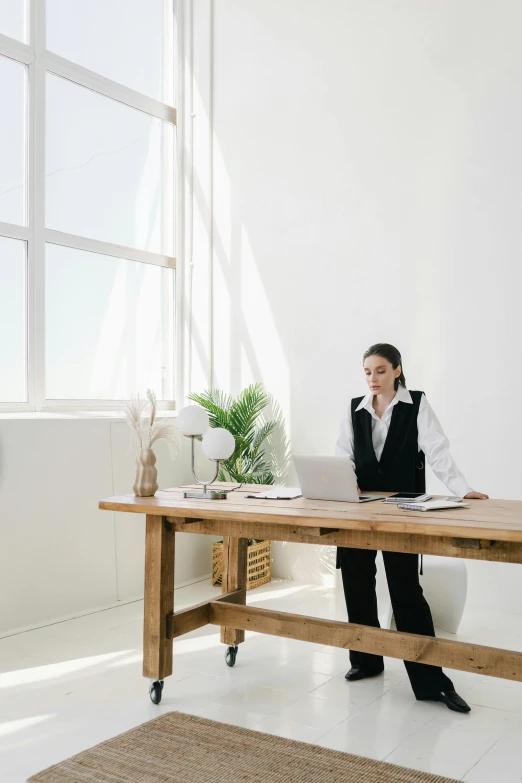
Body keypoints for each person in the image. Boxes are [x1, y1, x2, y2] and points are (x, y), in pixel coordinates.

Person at [336, 343, 488, 713]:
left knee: (405, 589)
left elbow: (437, 451)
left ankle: (432, 682)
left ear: (398, 370)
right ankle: (366, 661)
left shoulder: (416, 404)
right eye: (368, 372)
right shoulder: (354, 408)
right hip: (360, 511)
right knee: (356, 581)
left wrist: (463, 490)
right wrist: (346, 479)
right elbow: (343, 454)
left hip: (403, 510)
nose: (373, 378)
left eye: (381, 371)